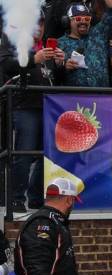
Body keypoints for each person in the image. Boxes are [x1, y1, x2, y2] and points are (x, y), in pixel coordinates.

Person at [0, 15, 64, 214]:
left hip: (49, 108)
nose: (39, 27)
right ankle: (17, 199)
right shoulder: (12, 42)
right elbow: (5, 66)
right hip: (24, 105)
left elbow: (56, 78)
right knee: (23, 154)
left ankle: (36, 198)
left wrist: (61, 64)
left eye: (42, 23)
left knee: (46, 155)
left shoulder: (47, 47)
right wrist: (31, 59)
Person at [58, 0, 112, 87]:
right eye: (78, 19)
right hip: (73, 98)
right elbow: (54, 71)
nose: (83, 22)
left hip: (102, 96)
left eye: (87, 19)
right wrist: (64, 65)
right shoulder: (60, 43)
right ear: (68, 21)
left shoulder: (99, 33)